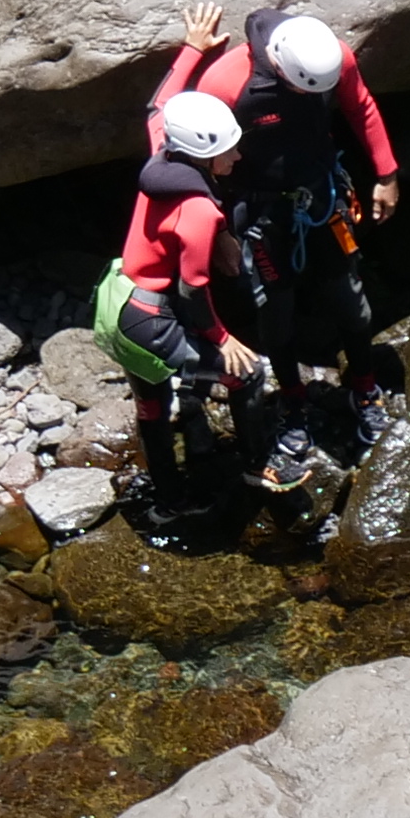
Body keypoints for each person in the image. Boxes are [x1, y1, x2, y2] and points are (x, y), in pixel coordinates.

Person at [164, 1, 399, 486]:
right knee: (276, 314)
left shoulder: (332, 55)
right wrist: (222, 231)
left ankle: (363, 387)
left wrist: (387, 172)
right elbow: (193, 159)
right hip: (261, 212)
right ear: (278, 65)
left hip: (321, 197)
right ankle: (292, 405)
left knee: (351, 305)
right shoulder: (227, 82)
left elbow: (361, 105)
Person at [98, 89, 271, 543]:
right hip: (152, 322)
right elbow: (192, 289)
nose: (236, 155)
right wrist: (221, 338)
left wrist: (193, 47)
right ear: (202, 156)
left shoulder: (163, 154)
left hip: (119, 302)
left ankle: (168, 503)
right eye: (225, 150)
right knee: (248, 375)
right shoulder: (198, 211)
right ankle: (257, 467)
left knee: (152, 408)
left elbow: (158, 107)